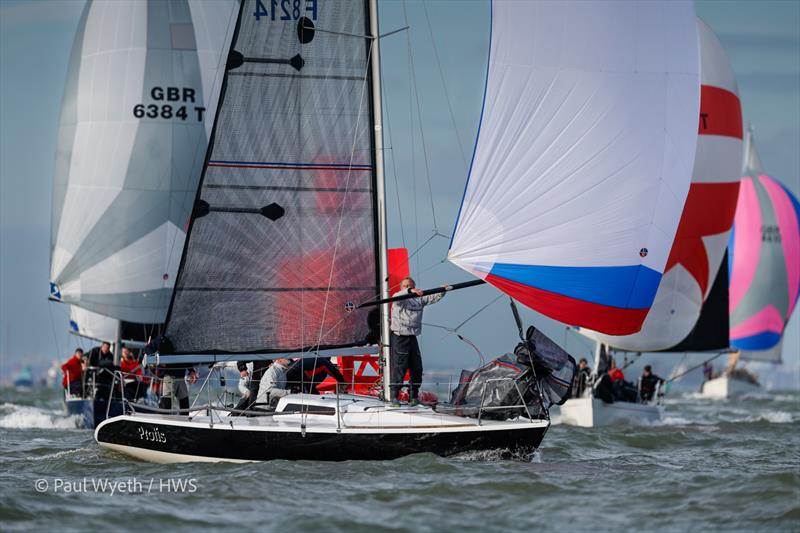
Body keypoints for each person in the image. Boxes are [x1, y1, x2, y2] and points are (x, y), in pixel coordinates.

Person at [389, 277, 445, 407]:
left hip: (412, 337)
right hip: (399, 337)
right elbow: (397, 295)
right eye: (405, 285)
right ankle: (394, 397)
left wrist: (442, 290)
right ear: (402, 287)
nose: (408, 287)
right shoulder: (398, 299)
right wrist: (409, 290)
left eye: (410, 285)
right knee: (400, 367)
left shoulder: (418, 299)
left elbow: (432, 298)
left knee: (417, 368)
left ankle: (413, 396)